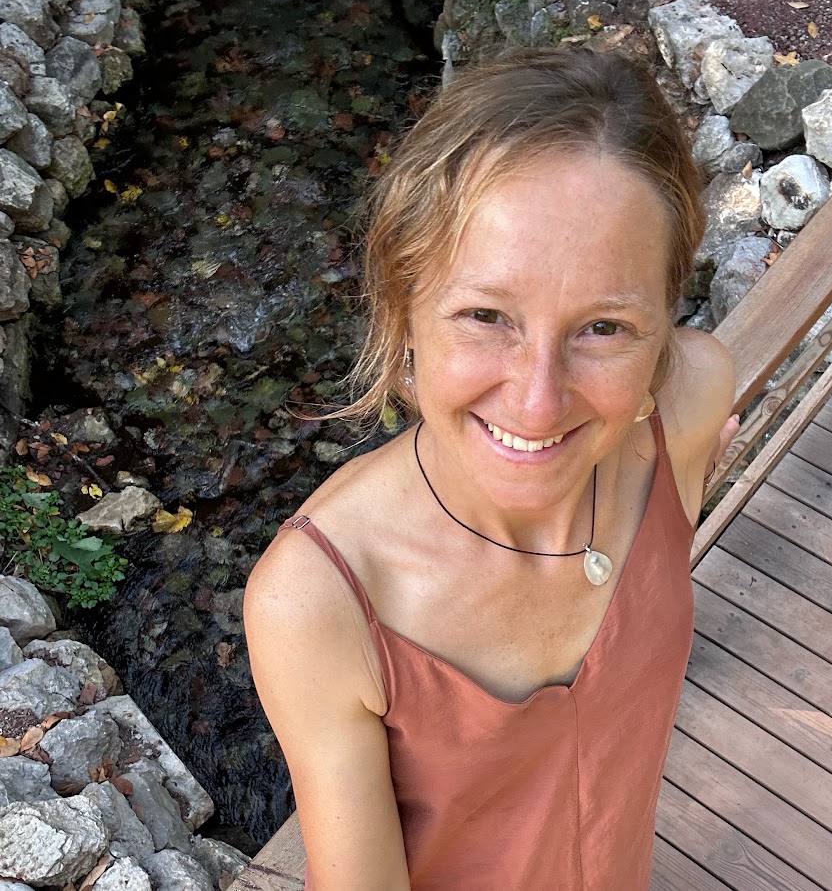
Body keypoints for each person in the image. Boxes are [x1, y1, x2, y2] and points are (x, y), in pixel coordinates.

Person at [244, 47, 739, 890]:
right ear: (403, 310)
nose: (538, 403)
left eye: (604, 328)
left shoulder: (687, 406)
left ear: (664, 322)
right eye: (485, 315)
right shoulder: (322, 600)